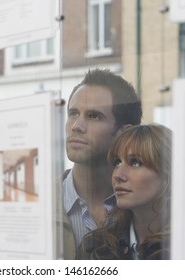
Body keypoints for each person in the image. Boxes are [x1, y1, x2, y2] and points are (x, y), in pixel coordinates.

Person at [60, 68, 142, 259]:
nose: (76, 126)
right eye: (73, 113)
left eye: (94, 116)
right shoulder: (41, 204)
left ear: (124, 133)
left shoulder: (147, 207)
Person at [76, 124, 172, 260]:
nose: (118, 175)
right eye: (117, 162)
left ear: (167, 174)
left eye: (135, 163)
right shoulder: (96, 248)